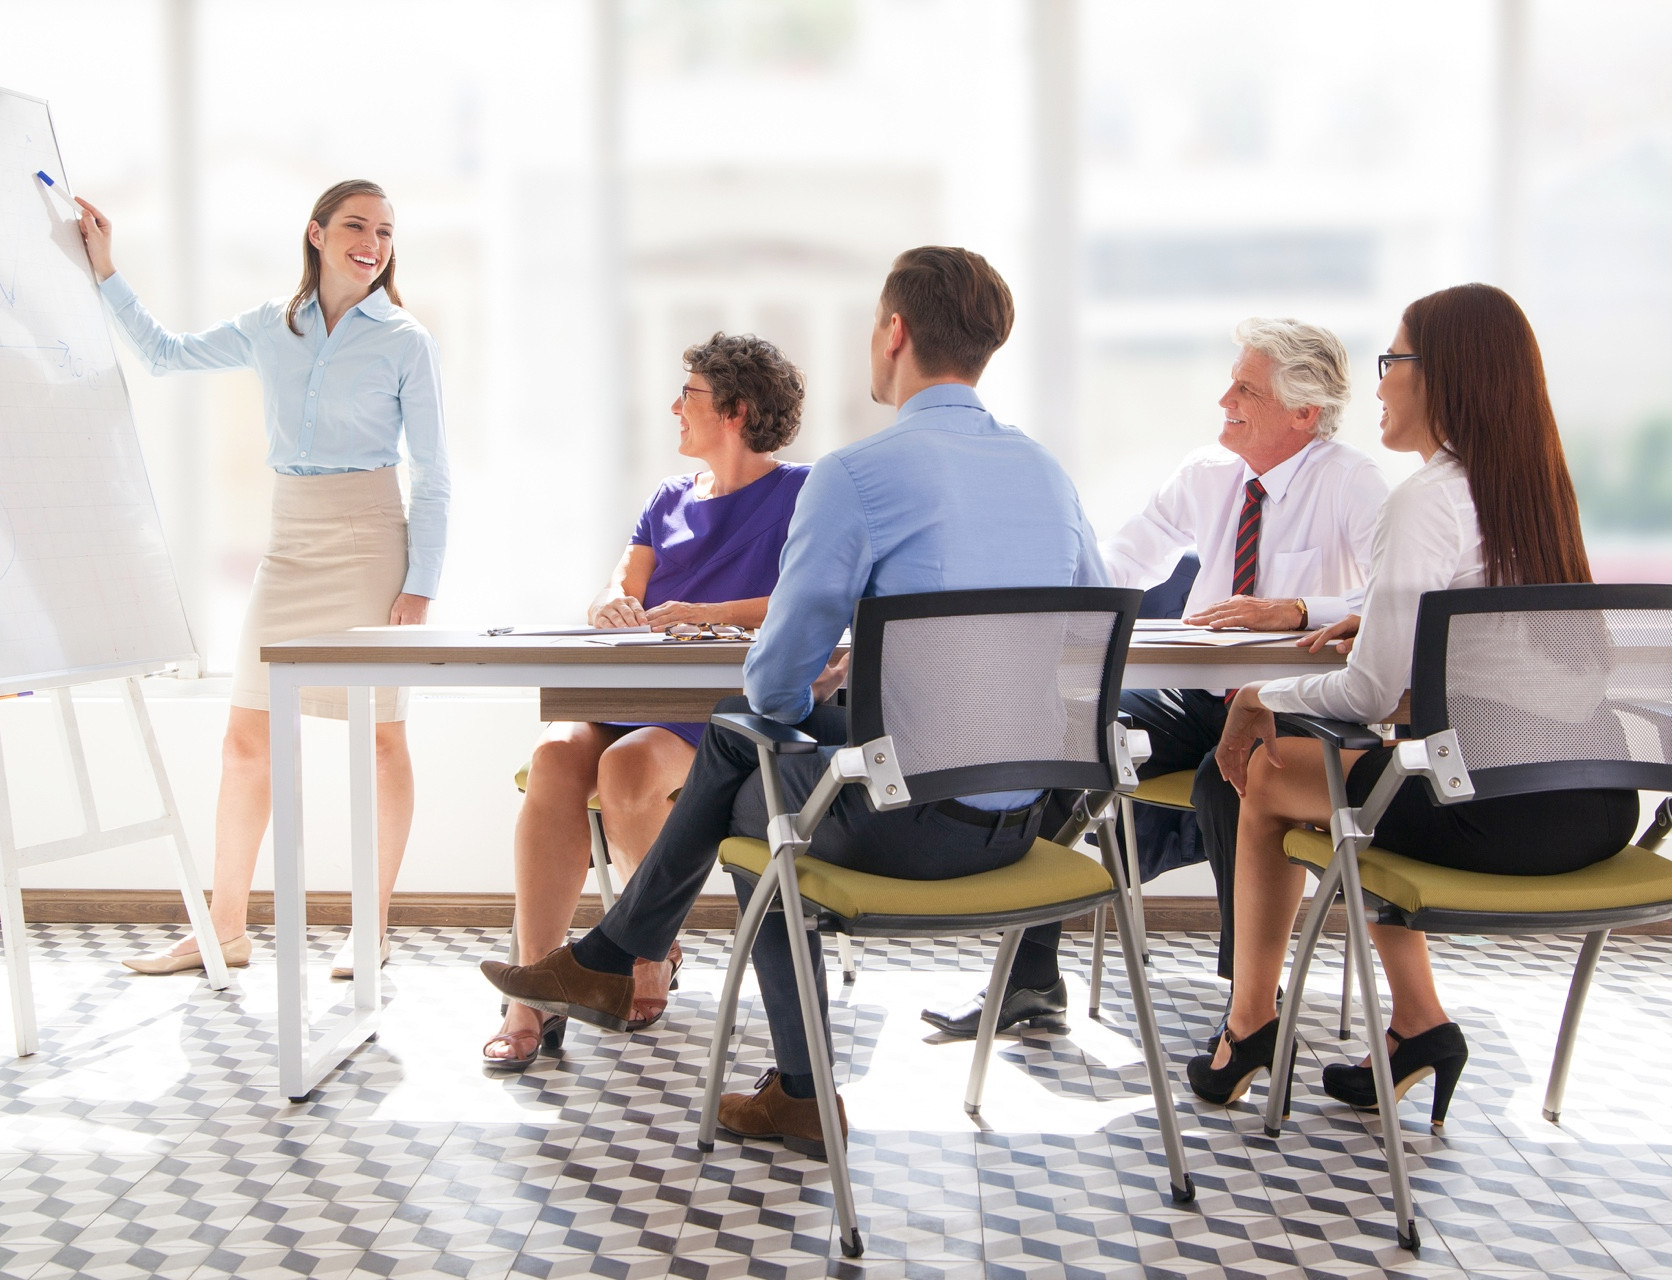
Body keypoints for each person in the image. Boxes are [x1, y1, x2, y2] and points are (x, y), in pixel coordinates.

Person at [482, 246, 1105, 1154]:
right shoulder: (1047, 475)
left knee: (753, 767)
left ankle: (693, 1011)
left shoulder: (857, 475)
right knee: (749, 757)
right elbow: (1083, 643)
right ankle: (627, 967)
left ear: (894, 333)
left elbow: (775, 685)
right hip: (1026, 825)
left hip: (905, 826)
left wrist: (828, 674)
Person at [1187, 284, 1637, 1122]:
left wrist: (1256, 693)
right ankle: (1418, 1026)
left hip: (1494, 815)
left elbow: (1366, 691)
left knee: (1266, 771)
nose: (1382, 383)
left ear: (1445, 376)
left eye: (1395, 361)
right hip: (1599, 805)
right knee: (1369, 785)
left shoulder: (1426, 499)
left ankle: (1248, 1026)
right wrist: (1395, 628)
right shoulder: (1536, 490)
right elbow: (1498, 659)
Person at [922, 319, 1388, 1040]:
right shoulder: (1208, 473)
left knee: (1233, 779)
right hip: (1200, 699)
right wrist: (1040, 593)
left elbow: (1396, 602)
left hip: (1295, 708)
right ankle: (1030, 981)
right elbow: (1123, 564)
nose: (1224, 397)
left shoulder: (1352, 482)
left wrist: (1298, 609)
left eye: (1245, 388)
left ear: (1304, 412)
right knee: (1067, 736)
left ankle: (1251, 1013)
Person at [76, 180, 450, 978]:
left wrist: (420, 584)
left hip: (371, 542)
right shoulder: (267, 326)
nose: (372, 243)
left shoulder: (406, 341)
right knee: (245, 739)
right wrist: (107, 271)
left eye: (385, 231)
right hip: (290, 543)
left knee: (381, 740)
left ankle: (372, 929)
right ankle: (224, 929)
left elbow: (436, 476)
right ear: (316, 233)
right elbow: (164, 356)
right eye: (356, 225)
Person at [485, 333, 811, 1070]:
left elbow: (810, 598)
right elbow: (619, 582)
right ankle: (533, 989)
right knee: (554, 757)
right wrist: (612, 606)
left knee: (629, 767)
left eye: (689, 394)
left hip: (716, 708)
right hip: (629, 687)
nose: (674, 407)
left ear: (735, 409)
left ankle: (645, 949)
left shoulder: (802, 492)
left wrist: (711, 612)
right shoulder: (667, 497)